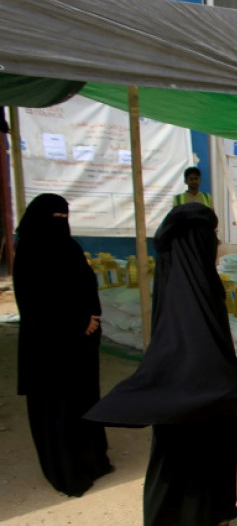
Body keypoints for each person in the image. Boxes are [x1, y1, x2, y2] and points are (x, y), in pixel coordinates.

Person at [86, 203, 237, 526]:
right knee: (190, 455)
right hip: (195, 391)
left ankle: (213, 511)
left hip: (207, 390)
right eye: (211, 234)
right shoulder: (188, 285)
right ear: (198, 239)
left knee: (211, 448)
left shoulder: (185, 275)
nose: (216, 241)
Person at [13, 194, 113, 497]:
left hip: (80, 344)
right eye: (55, 217)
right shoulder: (28, 253)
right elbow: (36, 303)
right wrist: (77, 322)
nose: (60, 223)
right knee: (55, 408)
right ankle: (65, 470)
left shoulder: (70, 248)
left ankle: (91, 461)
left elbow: (85, 284)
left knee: (82, 402)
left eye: (64, 217)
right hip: (48, 346)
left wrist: (91, 316)